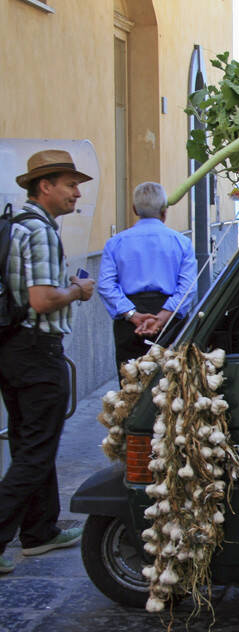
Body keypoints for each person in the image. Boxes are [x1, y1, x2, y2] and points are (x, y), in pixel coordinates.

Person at [0, 150, 97, 574]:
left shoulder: (18, 226)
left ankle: (39, 532)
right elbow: (41, 300)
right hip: (38, 353)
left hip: (14, 350)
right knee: (36, 452)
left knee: (29, 444)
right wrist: (78, 291)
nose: (77, 193)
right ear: (45, 186)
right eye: (70, 184)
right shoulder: (39, 231)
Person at [97, 182, 197, 370]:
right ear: (164, 211)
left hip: (130, 323)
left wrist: (132, 314)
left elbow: (105, 285)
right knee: (173, 385)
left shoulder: (115, 243)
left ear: (135, 209)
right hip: (171, 319)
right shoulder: (182, 242)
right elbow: (188, 287)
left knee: (131, 385)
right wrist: (161, 318)